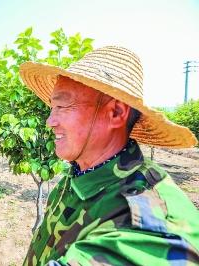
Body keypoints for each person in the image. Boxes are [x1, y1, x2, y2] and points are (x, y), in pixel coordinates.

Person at [18, 46, 199, 265]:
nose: (50, 122)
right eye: (52, 108)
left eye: (62, 106)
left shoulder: (147, 225)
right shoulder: (78, 176)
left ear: (116, 113)